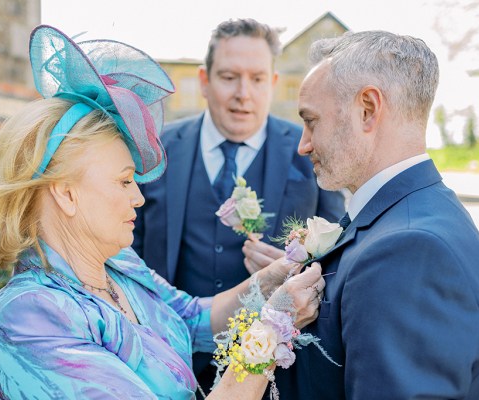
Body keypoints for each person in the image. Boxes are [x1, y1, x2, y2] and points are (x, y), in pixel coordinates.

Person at [0, 25, 326, 399]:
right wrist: (273, 327)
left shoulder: (120, 264)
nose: (139, 199)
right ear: (66, 194)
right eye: (125, 181)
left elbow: (192, 318)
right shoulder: (31, 314)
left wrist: (270, 281)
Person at [247, 30, 479, 399]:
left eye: (312, 121)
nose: (303, 144)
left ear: (368, 109)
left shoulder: (408, 249)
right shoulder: (408, 217)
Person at [133, 18, 345, 389]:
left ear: (273, 84)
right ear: (204, 81)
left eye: (257, 79)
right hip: (168, 363)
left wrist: (299, 265)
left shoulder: (311, 151)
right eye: (229, 77)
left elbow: (339, 253)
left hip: (276, 372)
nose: (243, 94)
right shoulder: (159, 151)